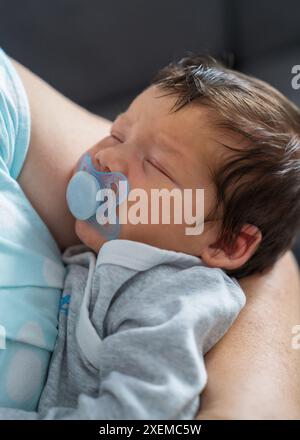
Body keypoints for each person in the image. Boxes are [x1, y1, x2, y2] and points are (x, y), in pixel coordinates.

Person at [0, 48, 300, 418]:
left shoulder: (173, 299)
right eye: (117, 133)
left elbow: (139, 413)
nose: (105, 158)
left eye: (155, 164)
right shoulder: (109, 255)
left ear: (226, 242)